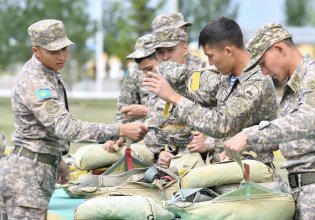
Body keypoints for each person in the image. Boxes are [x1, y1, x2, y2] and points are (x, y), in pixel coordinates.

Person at [0, 19, 148, 219]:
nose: (61, 56)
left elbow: (40, 129)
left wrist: (56, 157)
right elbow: (65, 127)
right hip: (26, 177)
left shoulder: (47, 73)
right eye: (53, 52)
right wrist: (120, 130)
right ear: (36, 51)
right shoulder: (36, 81)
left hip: (33, 168)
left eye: (64, 49)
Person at [223, 23, 315, 219]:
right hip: (304, 192)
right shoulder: (293, 88)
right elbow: (282, 135)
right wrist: (230, 145)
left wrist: (248, 135)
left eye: (263, 63)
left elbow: (303, 122)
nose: (264, 72)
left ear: (279, 49)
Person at [143, 17, 279, 165]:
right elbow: (196, 93)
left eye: (210, 56)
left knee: (187, 181)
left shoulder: (257, 82)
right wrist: (166, 82)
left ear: (228, 51)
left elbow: (222, 124)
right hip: (225, 166)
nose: (210, 62)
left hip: (250, 170)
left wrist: (174, 97)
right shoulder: (227, 77)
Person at [104, 34, 158, 152]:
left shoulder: (178, 73)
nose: (146, 76)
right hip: (143, 139)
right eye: (143, 70)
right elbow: (123, 110)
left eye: (149, 69)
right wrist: (117, 136)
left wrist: (146, 111)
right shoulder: (135, 71)